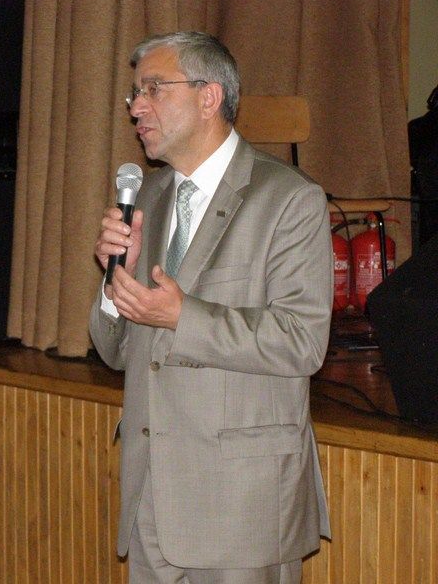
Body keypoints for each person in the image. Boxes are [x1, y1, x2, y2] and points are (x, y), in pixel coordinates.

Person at [89, 31, 332, 584]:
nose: (136, 108)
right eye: (134, 94)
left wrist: (182, 316)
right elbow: (115, 352)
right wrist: (113, 282)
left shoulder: (288, 199)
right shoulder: (147, 198)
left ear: (209, 96)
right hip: (151, 499)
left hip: (241, 507)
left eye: (153, 89)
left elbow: (301, 342)